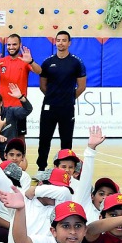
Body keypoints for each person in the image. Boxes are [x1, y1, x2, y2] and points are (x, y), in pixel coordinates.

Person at [35, 31, 86, 171]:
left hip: (67, 108)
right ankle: (41, 169)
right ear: (55, 42)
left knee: (66, 140)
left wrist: (68, 98)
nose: (61, 43)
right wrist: (53, 97)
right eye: (58, 40)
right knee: (44, 139)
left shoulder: (77, 63)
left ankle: (66, 170)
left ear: (69, 43)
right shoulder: (47, 62)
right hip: (49, 108)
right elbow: (42, 86)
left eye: (64, 40)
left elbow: (81, 87)